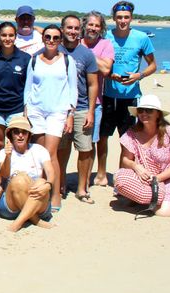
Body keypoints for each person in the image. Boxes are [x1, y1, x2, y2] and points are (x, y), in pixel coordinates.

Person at [100, 1, 157, 184]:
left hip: (131, 97)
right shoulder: (106, 36)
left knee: (128, 140)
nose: (122, 21)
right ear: (114, 18)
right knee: (102, 136)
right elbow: (98, 63)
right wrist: (109, 75)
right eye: (119, 17)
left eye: (126, 17)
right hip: (108, 95)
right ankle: (101, 175)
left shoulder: (141, 38)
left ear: (131, 18)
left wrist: (138, 75)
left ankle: (122, 177)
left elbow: (153, 65)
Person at [23, 24, 78, 210]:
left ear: (60, 40)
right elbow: (28, 87)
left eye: (55, 38)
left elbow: (73, 89)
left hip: (58, 111)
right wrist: (26, 109)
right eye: (48, 37)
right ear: (43, 38)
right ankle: (40, 192)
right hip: (36, 110)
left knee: (50, 153)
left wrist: (71, 113)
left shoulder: (67, 61)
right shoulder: (34, 60)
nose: (51, 41)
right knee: (38, 152)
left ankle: (55, 194)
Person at [114, 95, 170, 216]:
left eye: (149, 110)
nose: (144, 113)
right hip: (143, 177)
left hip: (168, 178)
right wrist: (136, 166)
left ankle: (162, 200)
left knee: (163, 213)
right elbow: (126, 159)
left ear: (158, 114)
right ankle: (148, 197)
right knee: (119, 178)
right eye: (141, 110)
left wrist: (158, 179)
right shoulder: (132, 133)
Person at [58, 15, 99, 204]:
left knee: (84, 149)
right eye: (69, 28)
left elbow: (92, 84)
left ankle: (82, 188)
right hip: (59, 109)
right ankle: (61, 184)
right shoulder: (53, 49)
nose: (73, 32)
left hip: (82, 108)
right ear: (62, 29)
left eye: (76, 28)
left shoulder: (86, 54)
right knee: (61, 149)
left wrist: (91, 111)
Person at [0, 116, 55, 231]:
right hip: (12, 203)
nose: (20, 135)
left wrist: (48, 185)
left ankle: (20, 220)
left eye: (24, 132)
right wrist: (8, 157)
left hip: (37, 201)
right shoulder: (3, 152)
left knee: (41, 181)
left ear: (29, 135)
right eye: (16, 132)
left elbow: (50, 171)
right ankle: (35, 220)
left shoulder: (39, 150)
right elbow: (4, 174)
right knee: (19, 179)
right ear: (10, 135)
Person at [80, 11, 115, 187]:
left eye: (97, 25)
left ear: (101, 29)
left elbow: (106, 70)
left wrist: (84, 53)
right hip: (71, 102)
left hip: (96, 103)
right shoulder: (74, 41)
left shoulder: (105, 44)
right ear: (84, 25)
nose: (93, 28)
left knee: (89, 144)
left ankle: (85, 181)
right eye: (90, 24)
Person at [0, 22, 30, 153]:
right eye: (4, 35)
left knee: (17, 146)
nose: (7, 38)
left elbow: (29, 87)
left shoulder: (25, 58)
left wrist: (27, 111)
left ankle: (14, 173)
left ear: (16, 37)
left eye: (11, 35)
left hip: (16, 109)